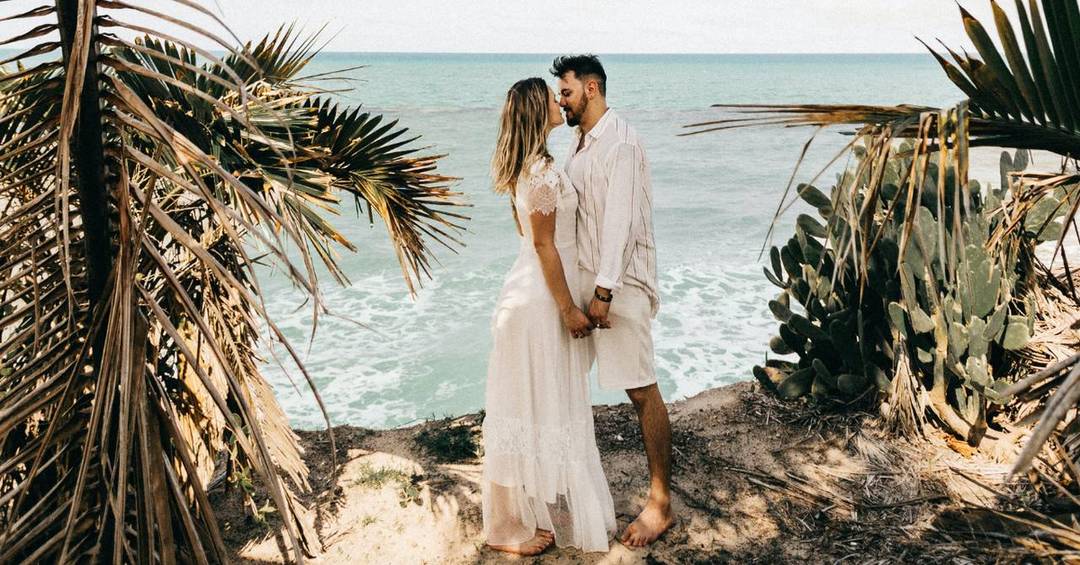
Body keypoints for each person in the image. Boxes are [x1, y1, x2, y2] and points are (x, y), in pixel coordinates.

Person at [480, 77, 617, 556]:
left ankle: (533, 512)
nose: (561, 102)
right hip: (537, 303)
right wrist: (567, 308)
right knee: (523, 408)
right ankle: (504, 528)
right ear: (538, 111)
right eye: (552, 97)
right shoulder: (539, 171)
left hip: (529, 293)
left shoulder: (534, 166)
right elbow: (542, 244)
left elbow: (533, 236)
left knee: (531, 406)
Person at [552, 54, 676, 547]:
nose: (561, 101)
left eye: (566, 92)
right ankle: (566, 490)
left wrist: (603, 293)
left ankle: (660, 503)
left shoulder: (620, 144)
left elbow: (621, 225)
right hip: (589, 284)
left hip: (619, 289)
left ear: (592, 88)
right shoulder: (581, 144)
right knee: (562, 381)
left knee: (640, 387)